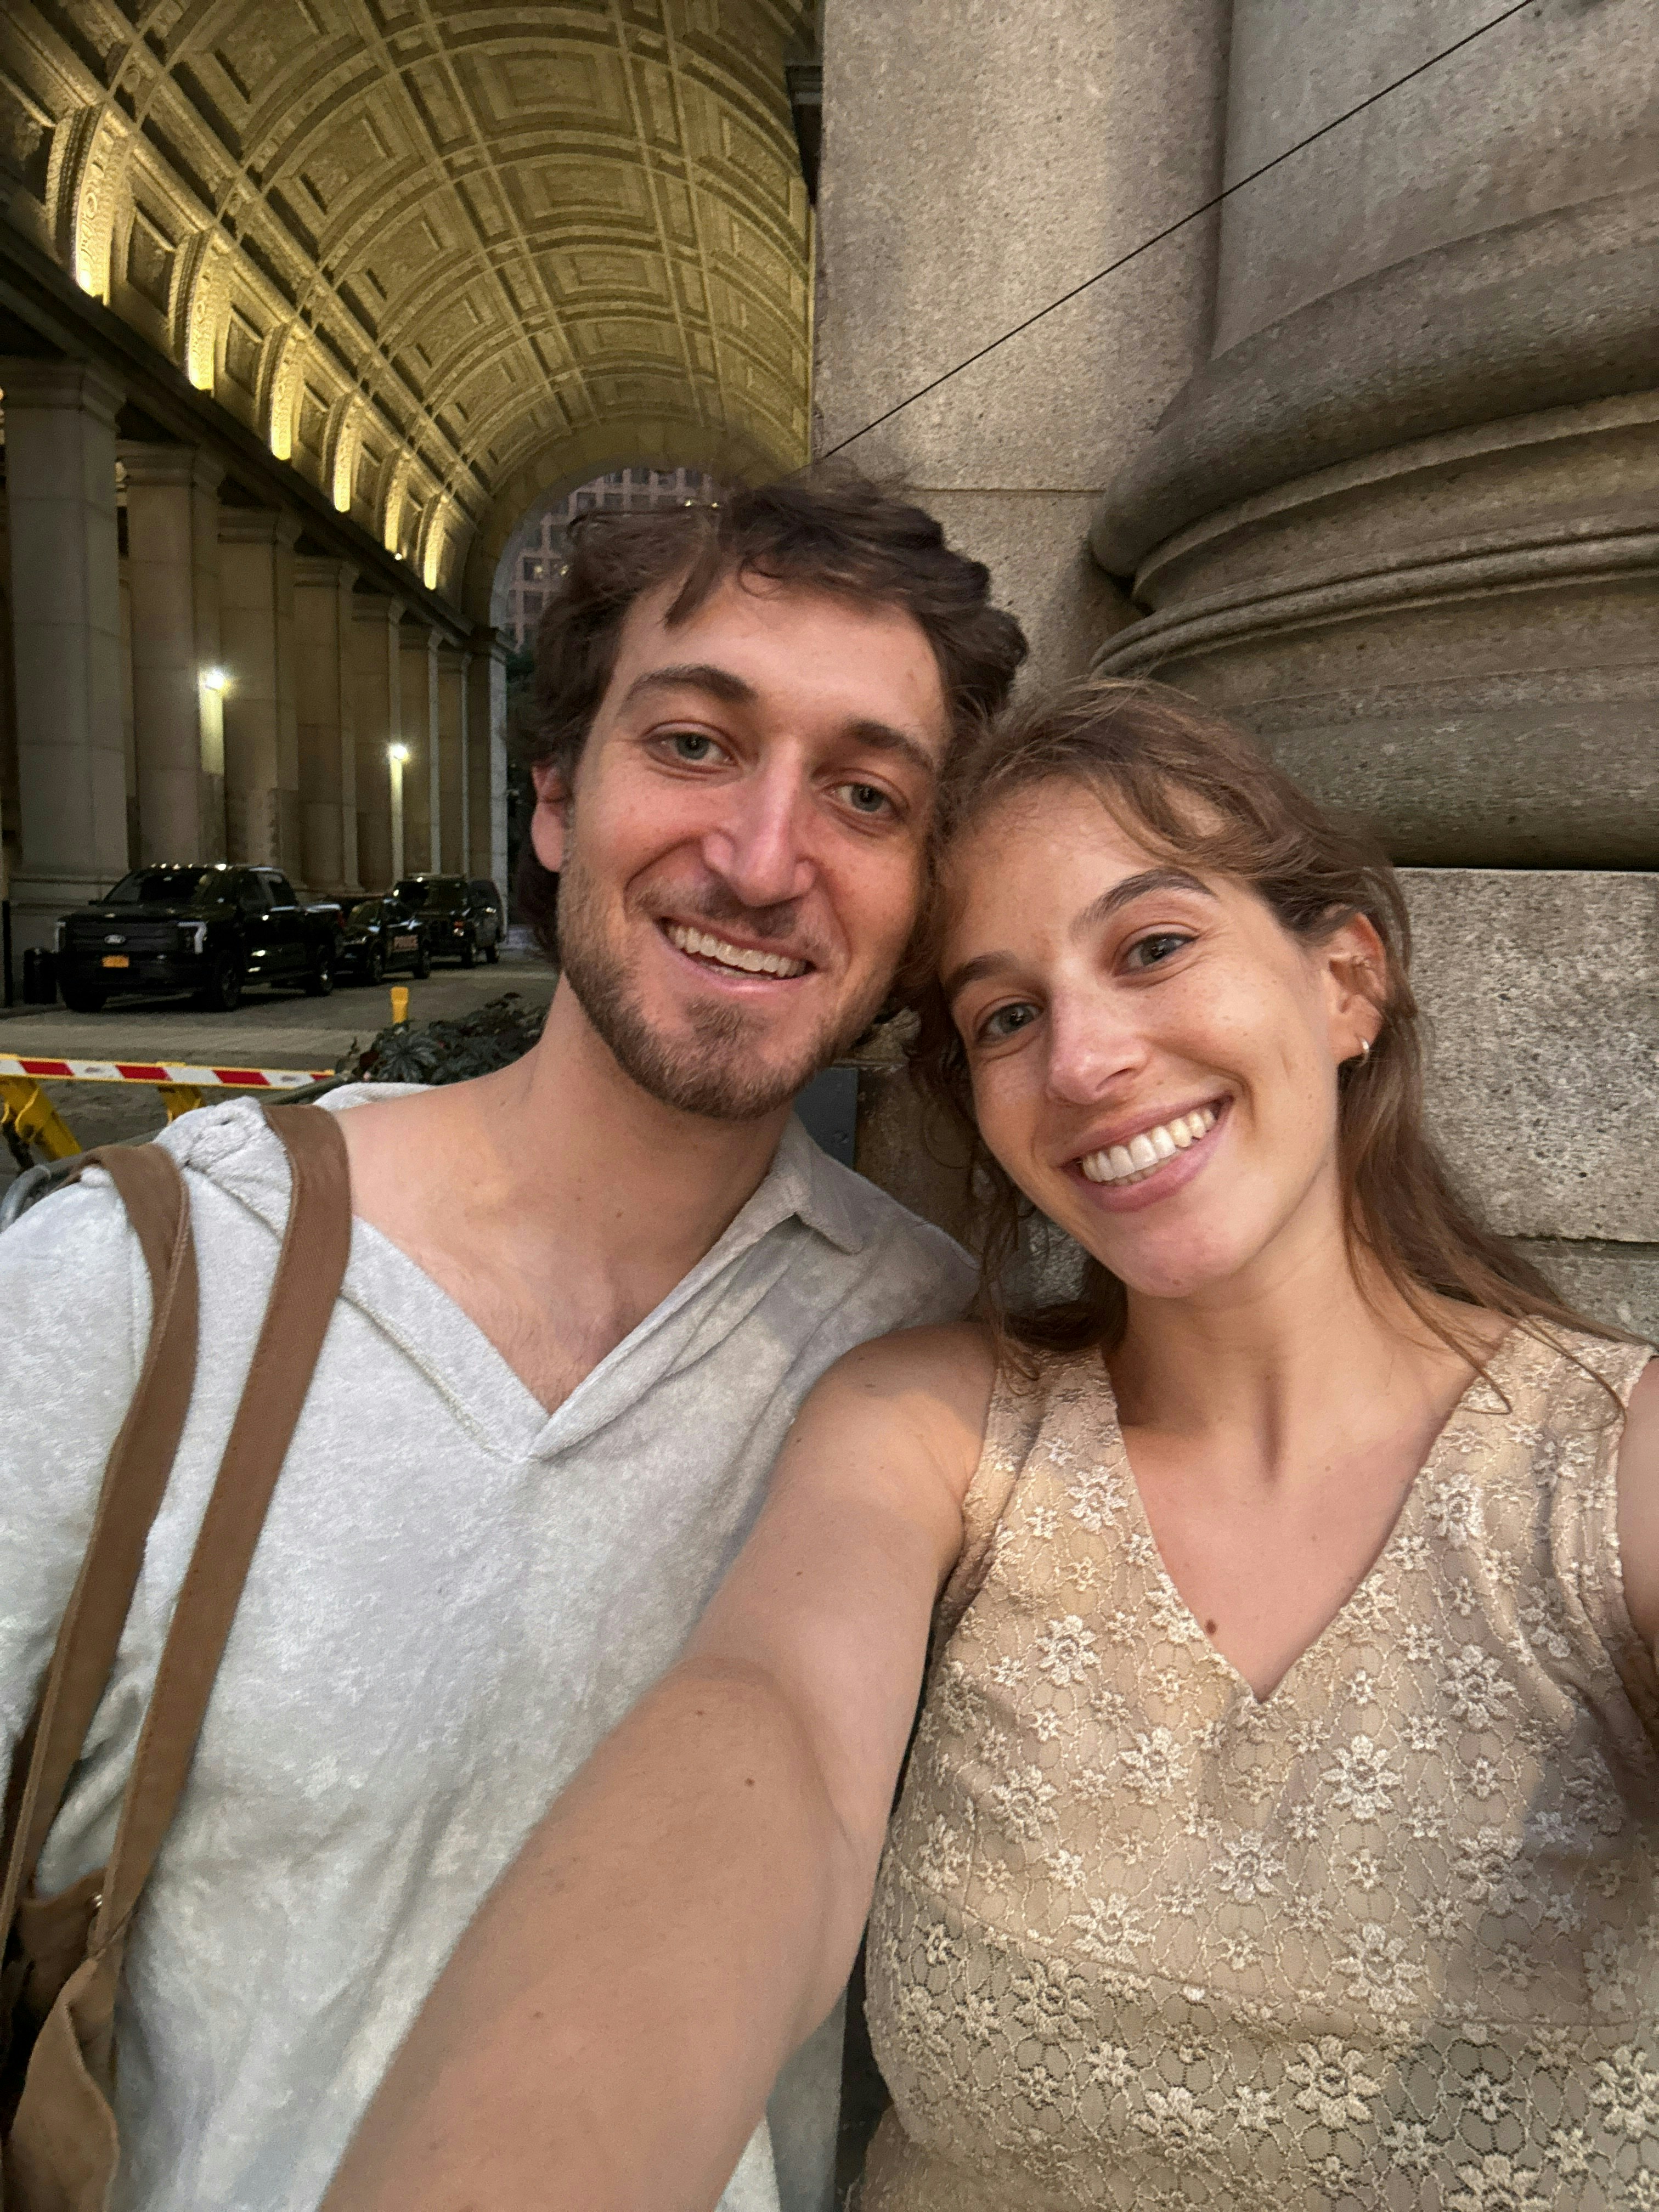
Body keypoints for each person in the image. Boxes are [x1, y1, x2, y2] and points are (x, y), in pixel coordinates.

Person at [325, 678, 1659, 2212]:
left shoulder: (1612, 1464)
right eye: (1007, 1015)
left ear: (1344, 981)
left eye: (1154, 948)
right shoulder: (932, 1429)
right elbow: (766, 1741)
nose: (1084, 1061)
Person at [0, 479, 1028, 2212]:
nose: (765, 859)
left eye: (865, 794)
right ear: (555, 795)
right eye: (696, 744)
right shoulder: (132, 1287)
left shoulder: (934, 1358)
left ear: (926, 893)